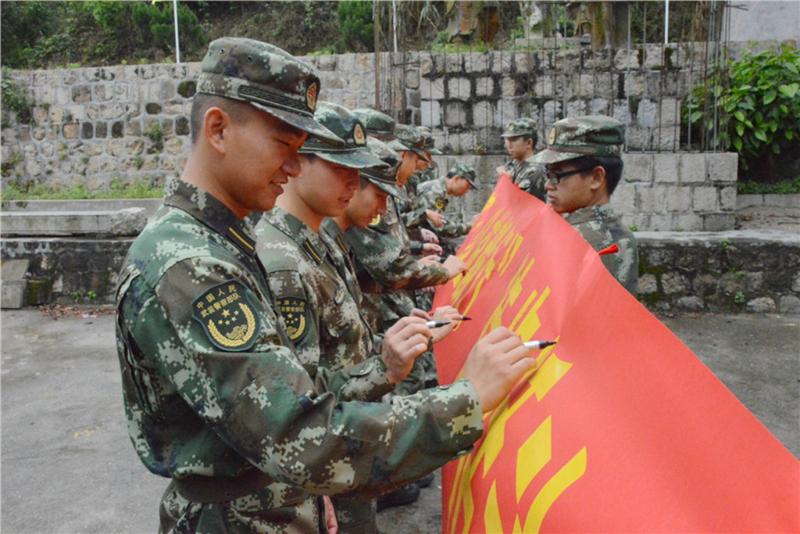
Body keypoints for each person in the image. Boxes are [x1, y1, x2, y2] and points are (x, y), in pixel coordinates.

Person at [114, 37, 535, 533]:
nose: (293, 167)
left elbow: (289, 407)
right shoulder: (191, 265)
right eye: (284, 145)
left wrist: (311, 489)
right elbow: (300, 436)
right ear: (218, 129)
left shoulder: (224, 241)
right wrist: (467, 398)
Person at [255, 103, 459, 532]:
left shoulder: (323, 239)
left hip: (349, 443)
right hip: (326, 459)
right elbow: (298, 411)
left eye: (358, 173)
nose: (354, 184)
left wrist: (391, 346)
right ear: (299, 160)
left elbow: (345, 340)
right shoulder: (284, 261)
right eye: (341, 169)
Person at [531, 114, 639, 294]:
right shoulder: (617, 233)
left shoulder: (579, 242)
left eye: (557, 175)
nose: (548, 185)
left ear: (596, 178)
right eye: (548, 174)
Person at [497, 117, 547, 200]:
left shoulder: (535, 170)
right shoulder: (511, 165)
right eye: (507, 140)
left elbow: (518, 205)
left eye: (513, 140)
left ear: (529, 143)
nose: (508, 145)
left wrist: (506, 183)